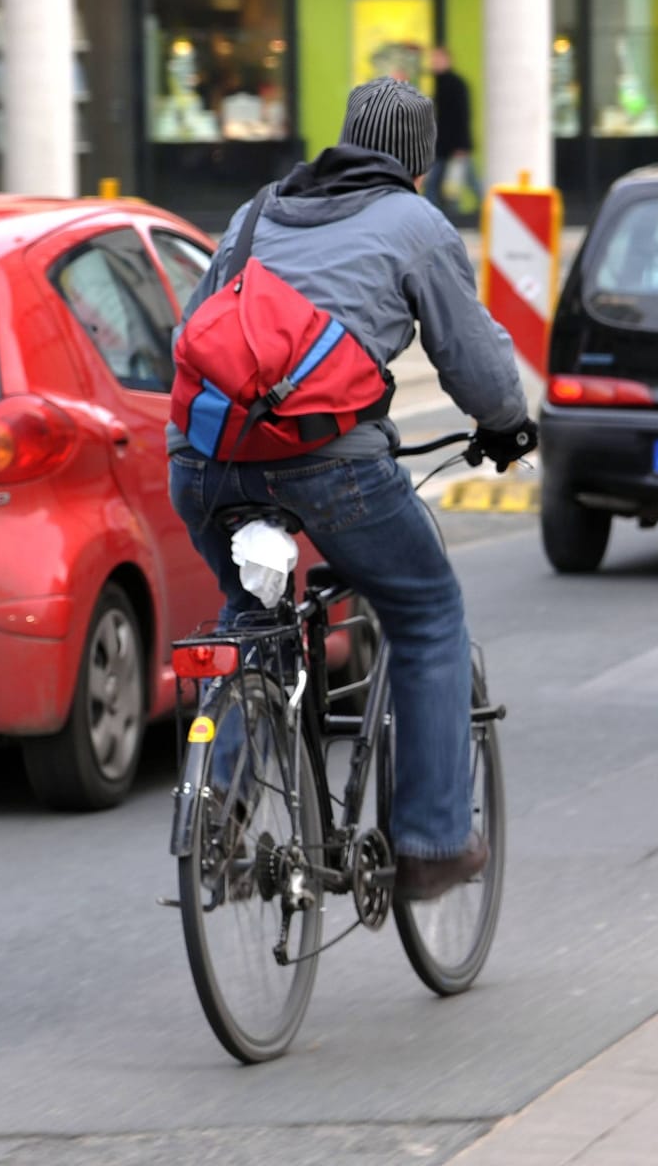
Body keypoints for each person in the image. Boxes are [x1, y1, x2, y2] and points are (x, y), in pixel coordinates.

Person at [168, 77, 535, 901]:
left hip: (202, 462)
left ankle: (218, 820)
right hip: (331, 465)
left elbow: (192, 332)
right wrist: (508, 425)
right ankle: (434, 843)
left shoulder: (257, 211)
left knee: (252, 614)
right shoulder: (415, 224)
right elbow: (475, 365)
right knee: (426, 610)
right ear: (418, 166)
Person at [427, 45, 480, 221]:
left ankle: (490, 211)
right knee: (436, 182)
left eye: (438, 59)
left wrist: (461, 144)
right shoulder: (436, 84)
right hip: (440, 144)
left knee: (460, 181)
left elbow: (462, 115)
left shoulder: (456, 84)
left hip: (454, 144)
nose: (435, 63)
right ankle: (435, 217)